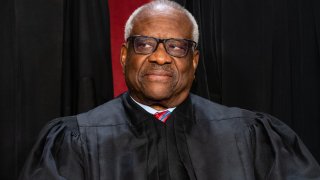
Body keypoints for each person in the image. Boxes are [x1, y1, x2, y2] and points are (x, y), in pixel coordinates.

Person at [19, 0, 320, 179]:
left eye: (177, 46)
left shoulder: (250, 136)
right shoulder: (75, 141)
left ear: (195, 60)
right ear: (125, 55)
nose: (160, 57)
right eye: (145, 43)